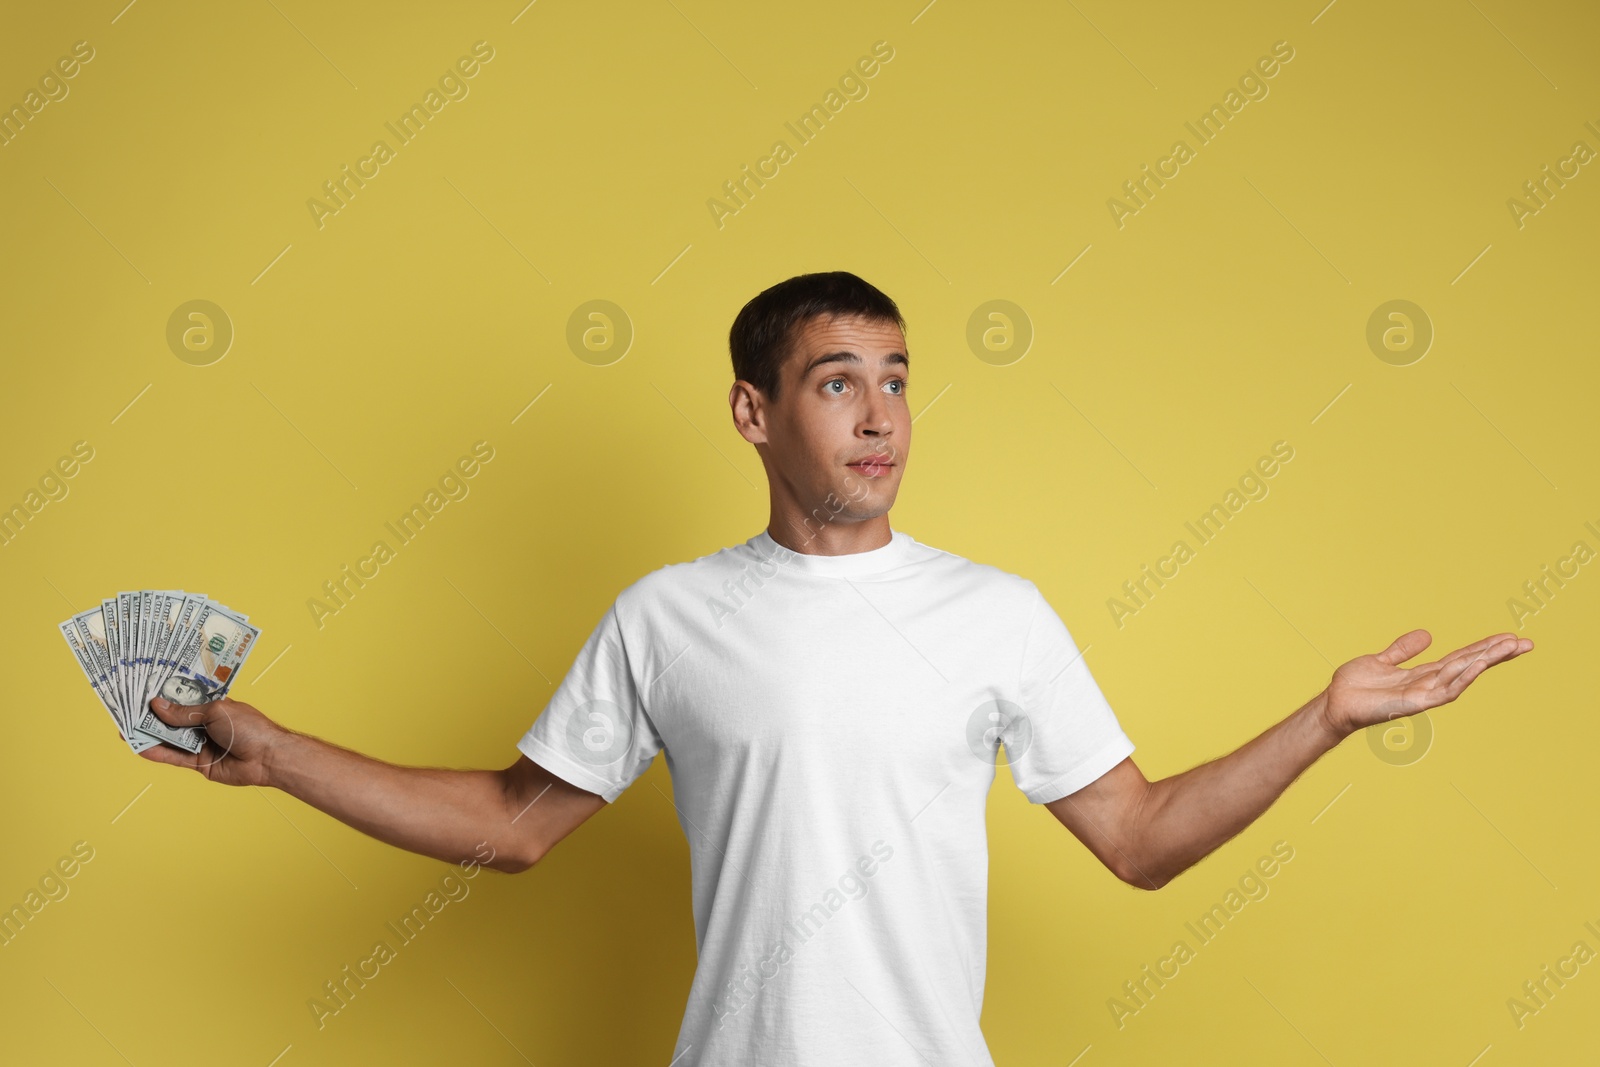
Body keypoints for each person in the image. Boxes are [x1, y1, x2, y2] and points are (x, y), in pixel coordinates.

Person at [140, 271, 1533, 1065]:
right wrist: (279, 755)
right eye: (836, 380)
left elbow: (1144, 839)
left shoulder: (996, 612)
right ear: (753, 411)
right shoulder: (667, 616)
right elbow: (513, 827)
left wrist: (1328, 720)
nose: (882, 417)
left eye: (899, 377)